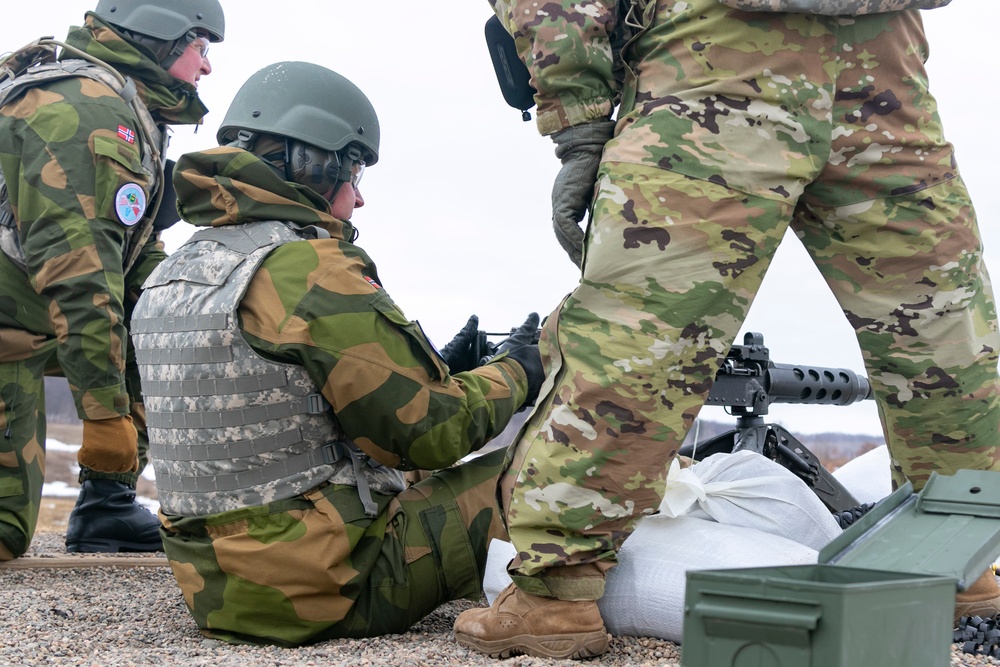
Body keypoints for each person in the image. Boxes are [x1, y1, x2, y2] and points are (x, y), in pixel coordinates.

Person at [455, 0, 1000, 659]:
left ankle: (555, 593)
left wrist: (576, 116)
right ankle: (957, 564)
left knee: (638, 339)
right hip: (884, 49)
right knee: (942, 332)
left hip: (717, 52)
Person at [129, 61, 544, 647]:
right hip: (325, 591)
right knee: (546, 469)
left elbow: (286, 417)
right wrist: (522, 371)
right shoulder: (306, 267)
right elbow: (433, 431)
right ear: (314, 162)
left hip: (218, 586)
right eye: (353, 169)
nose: (360, 196)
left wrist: (443, 371)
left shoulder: (176, 273)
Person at [0, 0, 225, 559]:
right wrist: (104, 414)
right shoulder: (81, 107)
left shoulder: (124, 105)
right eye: (200, 48)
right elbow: (78, 270)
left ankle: (107, 508)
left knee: (166, 336)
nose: (206, 67)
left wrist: (181, 311)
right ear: (162, 38)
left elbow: (130, 245)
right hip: (13, 324)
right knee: (3, 530)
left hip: (27, 316)